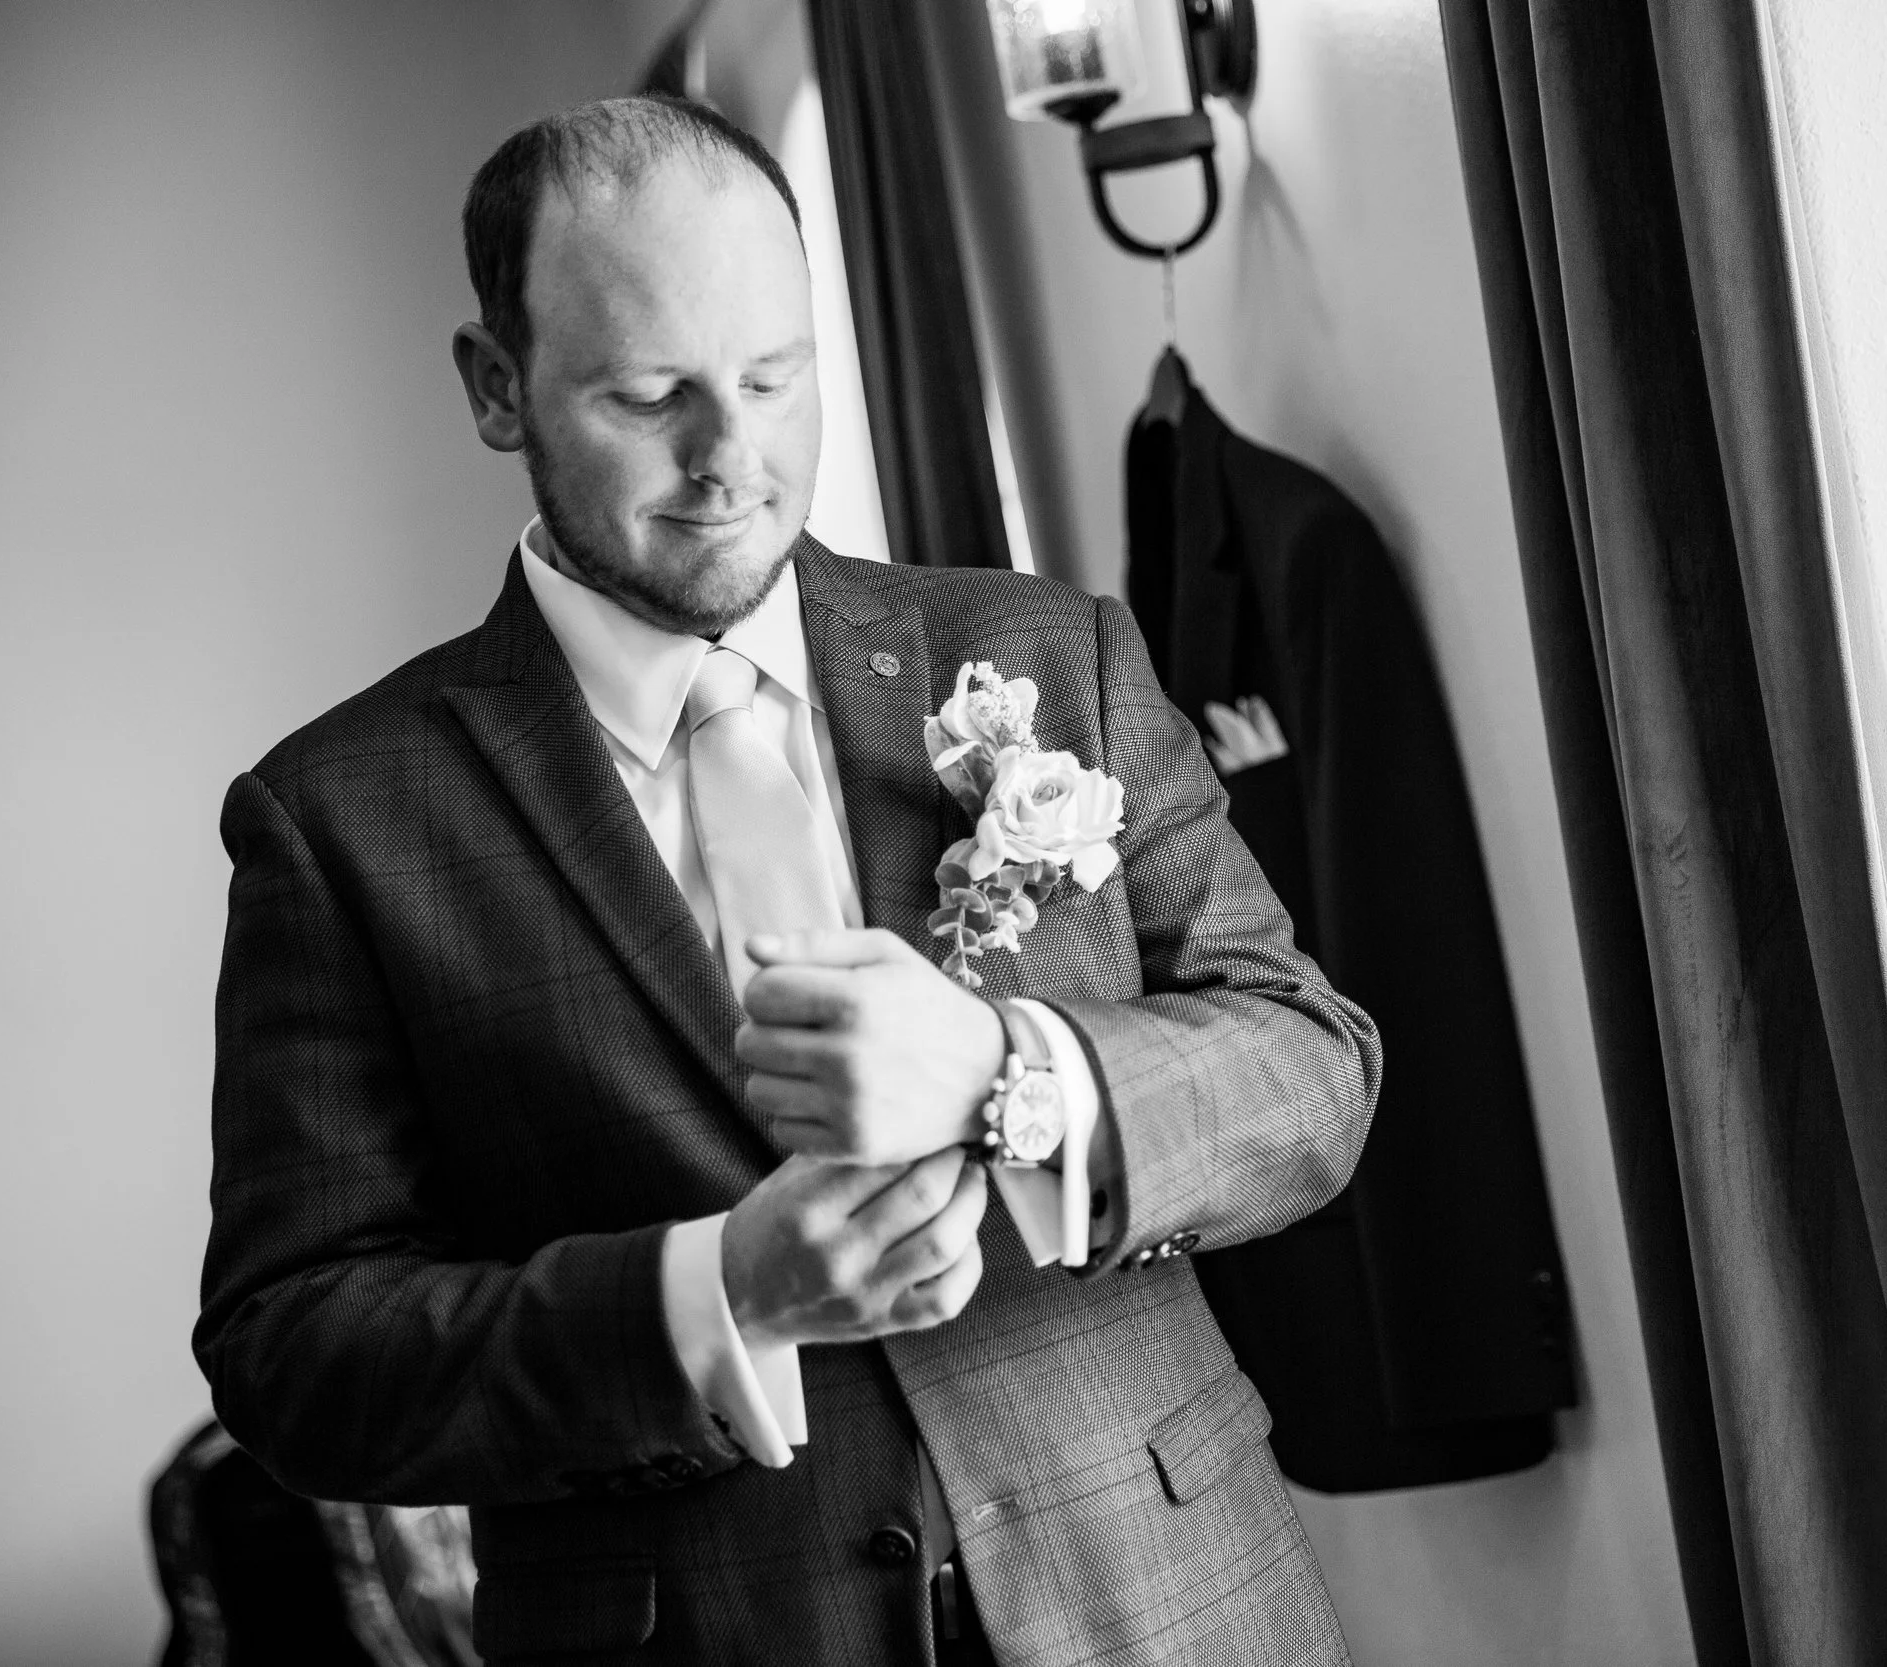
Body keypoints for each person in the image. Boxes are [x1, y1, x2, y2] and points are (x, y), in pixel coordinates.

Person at [193, 94, 1380, 1667]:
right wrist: (716, 1292)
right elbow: (296, 1358)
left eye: (774, 375)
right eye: (647, 395)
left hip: (1172, 1598)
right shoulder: (336, 817)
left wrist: (1016, 1074)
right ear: (498, 389)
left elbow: (1313, 1067)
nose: (731, 458)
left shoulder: (1045, 651)